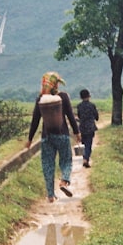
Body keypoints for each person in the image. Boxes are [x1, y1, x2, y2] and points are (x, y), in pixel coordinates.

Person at [25, 72, 80, 202]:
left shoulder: (40, 99)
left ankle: (50, 194)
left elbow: (35, 121)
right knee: (66, 160)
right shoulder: (64, 97)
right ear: (56, 84)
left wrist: (29, 139)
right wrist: (77, 132)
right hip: (63, 136)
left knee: (48, 164)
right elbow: (71, 117)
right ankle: (64, 182)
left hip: (46, 137)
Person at [76, 88, 99, 168]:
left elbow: (79, 116)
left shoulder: (79, 106)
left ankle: (85, 158)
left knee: (84, 144)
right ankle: (86, 159)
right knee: (88, 144)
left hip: (82, 128)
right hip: (90, 127)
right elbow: (96, 117)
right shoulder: (92, 105)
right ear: (89, 96)